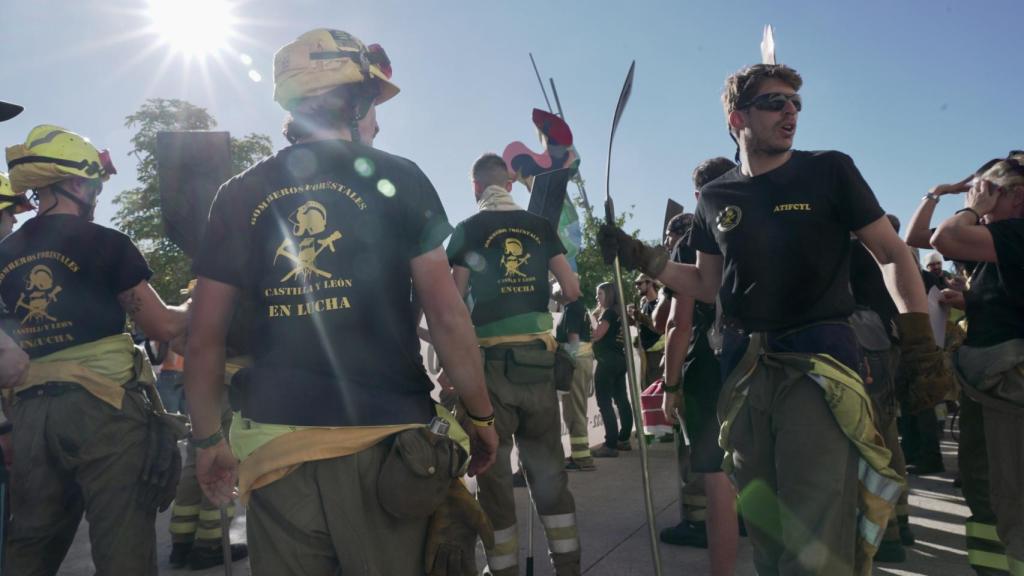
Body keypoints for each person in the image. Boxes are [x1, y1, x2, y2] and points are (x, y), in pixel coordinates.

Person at [601, 63, 946, 574]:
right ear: (737, 118)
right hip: (742, 375)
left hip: (818, 369)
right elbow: (708, 285)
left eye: (795, 103)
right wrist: (644, 258)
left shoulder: (829, 170)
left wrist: (918, 341)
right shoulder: (717, 197)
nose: (790, 112)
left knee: (813, 533)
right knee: (766, 531)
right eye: (774, 102)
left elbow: (893, 254)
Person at [186, 29, 498, 576]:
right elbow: (448, 316)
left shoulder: (239, 193)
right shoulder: (397, 177)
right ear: (354, 102)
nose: (378, 119)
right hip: (384, 455)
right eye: (373, 103)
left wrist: (208, 437)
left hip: (277, 457)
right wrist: (480, 414)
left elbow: (204, 335)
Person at [0, 124, 189, 575]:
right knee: (122, 543)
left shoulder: (4, 252)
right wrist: (197, 302)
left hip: (30, 416)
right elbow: (160, 324)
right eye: (95, 185)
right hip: (103, 409)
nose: (97, 195)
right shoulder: (104, 242)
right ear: (77, 183)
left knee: (30, 543)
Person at [447, 152, 581, 575]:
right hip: (538, 366)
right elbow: (573, 288)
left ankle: (501, 569)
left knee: (495, 477)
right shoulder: (540, 227)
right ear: (507, 183)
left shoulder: (468, 230)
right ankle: (568, 565)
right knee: (548, 473)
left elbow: (453, 305)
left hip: (489, 370)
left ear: (475, 187)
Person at [930, 154, 1024, 576]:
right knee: (986, 488)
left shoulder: (1016, 233)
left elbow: (942, 240)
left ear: (1017, 198)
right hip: (990, 381)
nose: (978, 195)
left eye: (990, 189)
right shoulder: (999, 243)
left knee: (1012, 496)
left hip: (1010, 382)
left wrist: (970, 208)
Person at [660, 157, 739, 575]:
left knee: (715, 476)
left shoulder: (691, 239)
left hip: (709, 366)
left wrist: (671, 386)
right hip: (766, 359)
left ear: (698, 196)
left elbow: (680, 321)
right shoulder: (762, 216)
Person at [848, 214, 915, 562]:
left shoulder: (851, 250)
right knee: (888, 436)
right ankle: (900, 522)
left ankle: (884, 534)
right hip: (886, 345)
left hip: (861, 348)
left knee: (868, 440)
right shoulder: (890, 251)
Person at [590, 282, 633, 458]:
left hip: (607, 361)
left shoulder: (608, 313)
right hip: (619, 359)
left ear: (608, 295)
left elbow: (597, 335)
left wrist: (587, 329)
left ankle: (610, 444)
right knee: (622, 399)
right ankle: (623, 438)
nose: (596, 298)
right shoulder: (619, 312)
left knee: (605, 402)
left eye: (599, 294)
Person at [556, 286, 596, 472]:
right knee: (577, 408)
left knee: (574, 411)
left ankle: (582, 458)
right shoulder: (580, 308)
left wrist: (567, 363)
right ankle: (581, 455)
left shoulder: (572, 309)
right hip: (584, 360)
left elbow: (573, 338)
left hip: (575, 363)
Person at [630, 273, 664, 386]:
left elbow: (659, 328)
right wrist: (632, 320)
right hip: (646, 353)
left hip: (657, 354)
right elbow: (645, 327)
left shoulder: (661, 302)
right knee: (646, 388)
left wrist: (641, 318)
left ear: (649, 283)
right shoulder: (644, 303)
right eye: (635, 284)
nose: (637, 286)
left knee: (656, 390)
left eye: (639, 283)